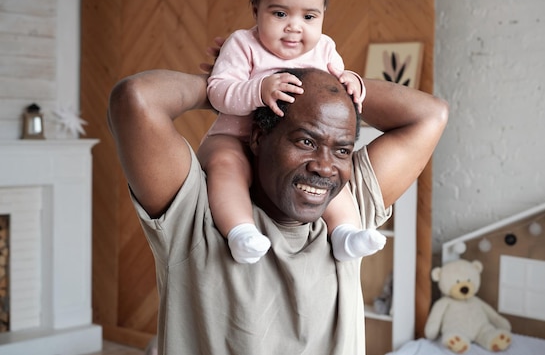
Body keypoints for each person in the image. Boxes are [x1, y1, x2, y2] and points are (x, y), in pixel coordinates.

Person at [108, 66, 448, 354]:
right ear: (258, 137)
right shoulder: (198, 214)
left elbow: (431, 115)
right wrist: (232, 88)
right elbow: (136, 99)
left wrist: (341, 80)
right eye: (305, 142)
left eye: (343, 150)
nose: (325, 168)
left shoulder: (347, 215)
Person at [201, 0, 384, 264]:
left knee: (334, 183)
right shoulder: (243, 44)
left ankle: (345, 235)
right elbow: (218, 91)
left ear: (323, 15)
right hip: (234, 137)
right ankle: (240, 232)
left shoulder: (324, 49)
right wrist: (257, 89)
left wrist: (352, 81)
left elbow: (336, 83)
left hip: (293, 151)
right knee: (225, 167)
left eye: (309, 16)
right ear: (256, 8)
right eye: (280, 13)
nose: (294, 26)